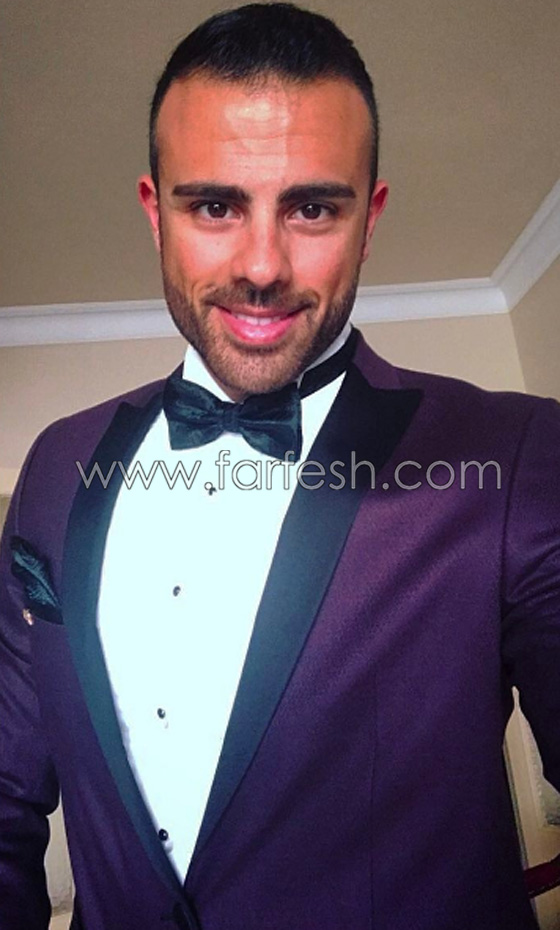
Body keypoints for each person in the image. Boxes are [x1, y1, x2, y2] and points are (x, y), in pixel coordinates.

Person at [1, 4, 559, 929]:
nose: (262, 266)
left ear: (369, 219)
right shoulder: (58, 465)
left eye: (311, 208)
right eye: (215, 206)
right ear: (155, 213)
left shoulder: (516, 455)